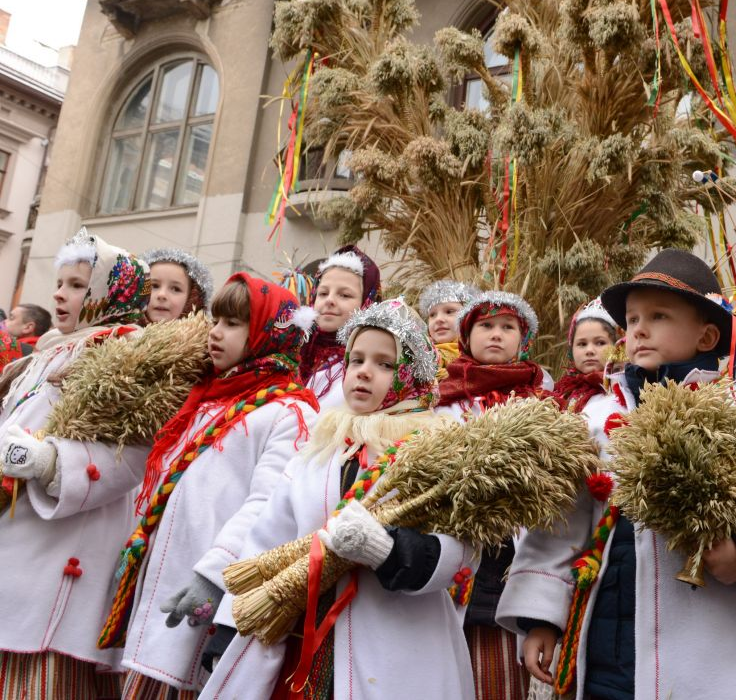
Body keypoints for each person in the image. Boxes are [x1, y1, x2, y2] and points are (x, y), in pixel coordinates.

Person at [498, 248, 736, 700]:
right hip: (605, 657)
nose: (639, 330)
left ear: (706, 337)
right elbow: (560, 522)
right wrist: (541, 616)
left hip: (712, 657)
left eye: (659, 316)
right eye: (631, 319)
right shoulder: (598, 419)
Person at [202, 298, 477, 699]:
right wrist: (232, 624)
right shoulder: (321, 447)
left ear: (410, 375)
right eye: (357, 359)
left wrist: (390, 550)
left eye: (384, 364)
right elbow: (268, 537)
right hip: (303, 642)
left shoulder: (435, 450)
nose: (364, 371)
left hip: (395, 647)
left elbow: (464, 550)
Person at [109, 274, 319, 699]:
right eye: (216, 320)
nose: (216, 333)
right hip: (165, 591)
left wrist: (213, 575)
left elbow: (266, 505)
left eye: (234, 323)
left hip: (208, 595)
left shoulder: (288, 413)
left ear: (267, 332)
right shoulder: (207, 398)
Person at [0, 228, 150, 697]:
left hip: (65, 545)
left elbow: (132, 456)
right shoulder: (46, 352)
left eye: (77, 286)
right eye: (60, 283)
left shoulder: (126, 353)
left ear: (109, 293)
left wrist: (48, 462)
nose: (59, 294)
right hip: (17, 536)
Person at [436, 290, 549, 700]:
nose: (496, 335)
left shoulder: (542, 403)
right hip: (452, 558)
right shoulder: (442, 399)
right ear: (467, 336)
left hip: (510, 561)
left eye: (508, 327)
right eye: (485, 326)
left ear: (524, 339)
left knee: (498, 680)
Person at [300, 246, 382, 409]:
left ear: (367, 302)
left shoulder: (370, 366)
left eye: (344, 295)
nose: (329, 300)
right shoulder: (298, 354)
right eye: (323, 293)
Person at [554, 297, 620, 411]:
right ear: (571, 350)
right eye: (582, 344)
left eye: (600, 343)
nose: (589, 350)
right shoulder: (561, 392)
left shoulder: (622, 389)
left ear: (616, 347)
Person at [419, 279, 482, 376]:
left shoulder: (482, 352)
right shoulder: (423, 355)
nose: (438, 319)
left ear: (469, 317)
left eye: (449, 311)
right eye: (432, 315)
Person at [141, 248, 214, 323]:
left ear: (193, 298)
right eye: (154, 286)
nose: (162, 295)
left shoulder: (209, 334)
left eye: (175, 289)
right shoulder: (129, 330)